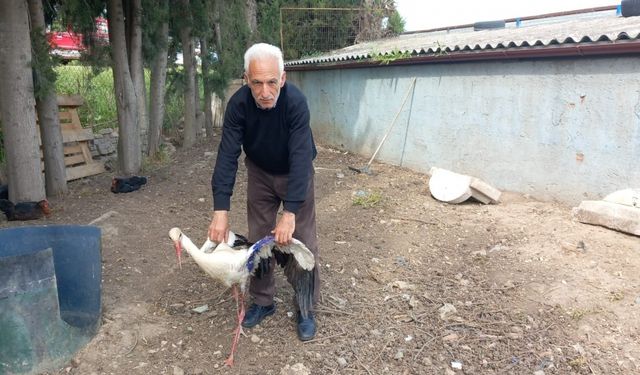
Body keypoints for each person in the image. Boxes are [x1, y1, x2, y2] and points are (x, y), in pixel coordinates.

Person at [208, 43, 319, 341]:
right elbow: (227, 156)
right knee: (258, 238)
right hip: (259, 172)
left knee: (303, 239)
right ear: (246, 79)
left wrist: (290, 212)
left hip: (297, 170)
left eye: (272, 82)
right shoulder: (238, 106)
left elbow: (300, 158)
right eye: (257, 82)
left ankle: (306, 307)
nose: (265, 91)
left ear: (282, 78)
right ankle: (263, 301)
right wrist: (220, 211)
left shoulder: (296, 103)